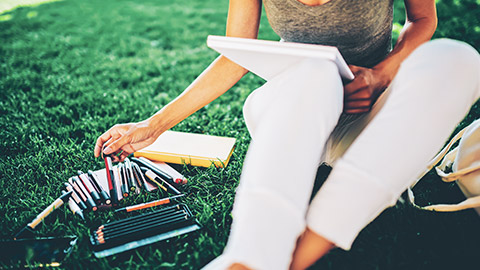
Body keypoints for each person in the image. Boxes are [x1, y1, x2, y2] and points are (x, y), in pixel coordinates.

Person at [94, 0, 480, 269]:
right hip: (293, 111)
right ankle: (250, 255)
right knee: (316, 69)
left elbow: (422, 19)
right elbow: (235, 54)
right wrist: (154, 125)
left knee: (458, 60)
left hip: (367, 116)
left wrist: (380, 76)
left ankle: (281, 260)